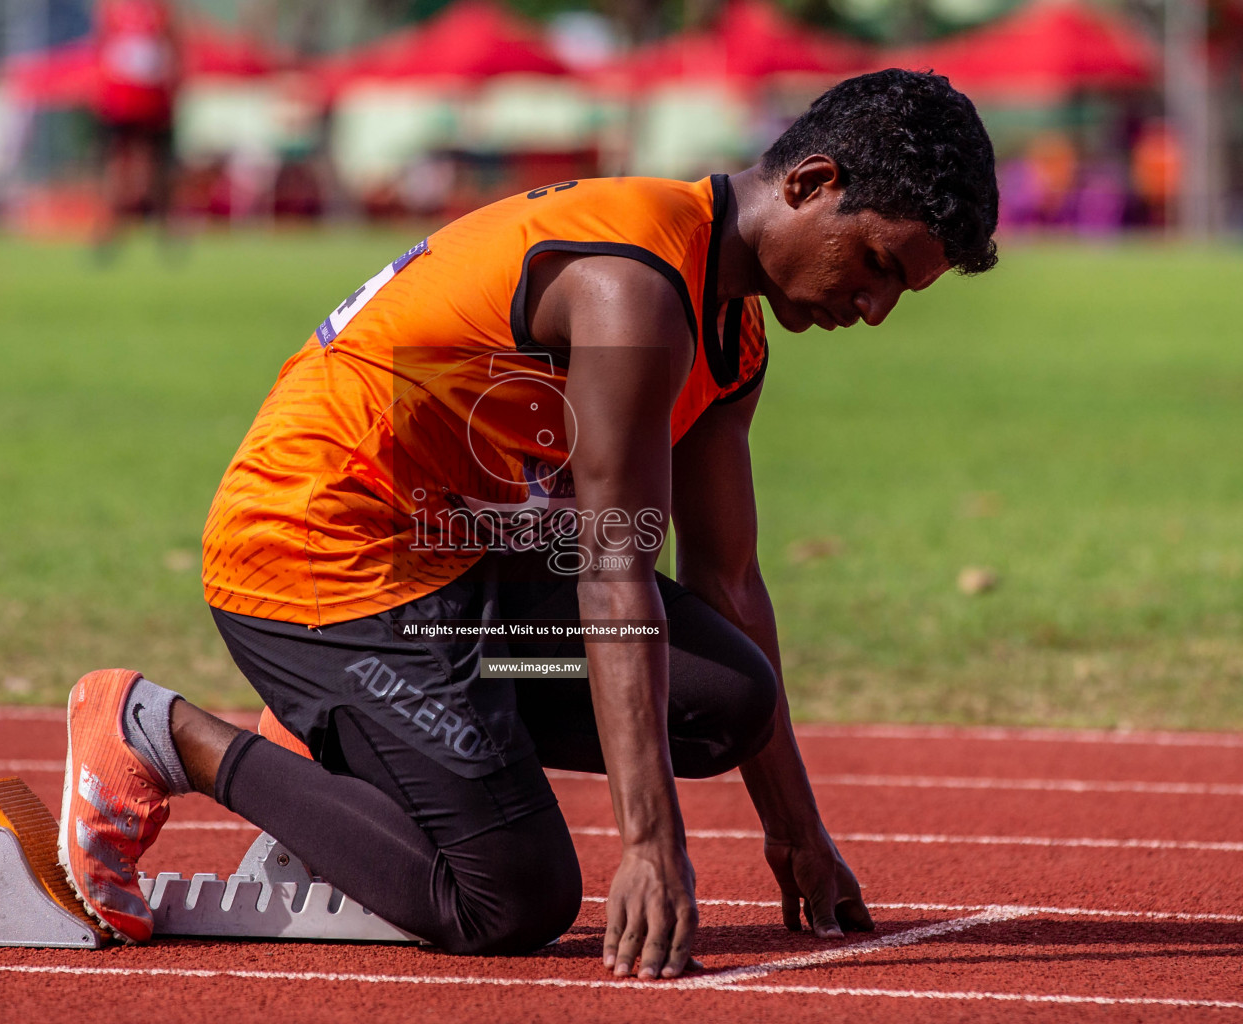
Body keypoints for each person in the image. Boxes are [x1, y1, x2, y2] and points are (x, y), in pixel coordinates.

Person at [57, 69, 999, 980]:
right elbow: (613, 569)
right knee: (511, 900)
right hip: (316, 554)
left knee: (730, 702)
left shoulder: (732, 328)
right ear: (811, 183)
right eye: (876, 264)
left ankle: (343, 729)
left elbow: (729, 586)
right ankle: (156, 732)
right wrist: (650, 846)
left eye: (901, 294)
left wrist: (796, 830)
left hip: (454, 573)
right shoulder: (634, 287)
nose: (873, 309)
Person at [90, 0, 182, 255]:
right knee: (118, 167)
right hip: (120, 100)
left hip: (153, 102)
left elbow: (175, 50)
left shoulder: (162, 10)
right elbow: (102, 48)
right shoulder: (112, 8)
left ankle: (164, 229)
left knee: (154, 168)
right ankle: (110, 229)